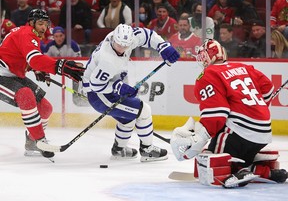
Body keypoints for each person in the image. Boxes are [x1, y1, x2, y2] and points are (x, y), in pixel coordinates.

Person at [170, 39, 288, 188]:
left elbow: (217, 113)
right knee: (227, 150)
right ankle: (262, 171)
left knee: (213, 158)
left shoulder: (208, 74)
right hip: (264, 132)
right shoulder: (244, 67)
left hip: (239, 132)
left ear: (207, 57)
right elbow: (268, 88)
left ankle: (241, 170)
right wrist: (254, 109)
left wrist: (201, 137)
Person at [82, 24, 180, 162]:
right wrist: (118, 87)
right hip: (98, 94)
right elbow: (96, 85)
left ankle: (119, 149)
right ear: (113, 39)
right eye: (118, 44)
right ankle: (147, 150)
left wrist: (163, 46)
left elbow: (147, 35)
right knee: (143, 110)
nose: (121, 49)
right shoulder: (107, 59)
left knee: (128, 118)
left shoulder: (126, 37)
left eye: (125, 46)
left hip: (105, 87)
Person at [0, 9, 85, 159]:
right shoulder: (27, 33)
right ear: (31, 23)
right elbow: (34, 59)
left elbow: (21, 57)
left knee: (45, 107)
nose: (43, 28)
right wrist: (61, 66)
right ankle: (39, 140)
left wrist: (35, 69)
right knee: (26, 96)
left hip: (13, 74)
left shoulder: (30, 35)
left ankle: (32, 142)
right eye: (40, 23)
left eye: (46, 24)